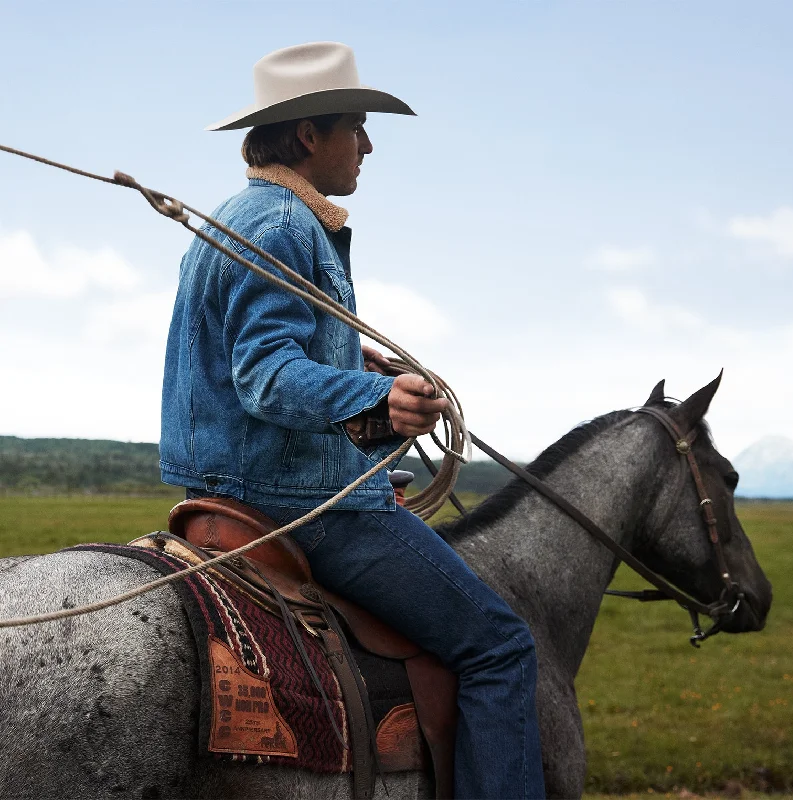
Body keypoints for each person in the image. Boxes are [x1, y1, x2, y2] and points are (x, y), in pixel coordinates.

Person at [160, 41, 546, 799]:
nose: (368, 146)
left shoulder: (244, 215)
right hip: (297, 500)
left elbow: (262, 350)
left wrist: (352, 365)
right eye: (358, 128)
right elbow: (265, 374)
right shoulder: (281, 226)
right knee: (501, 646)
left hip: (222, 485)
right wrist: (375, 399)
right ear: (309, 135)